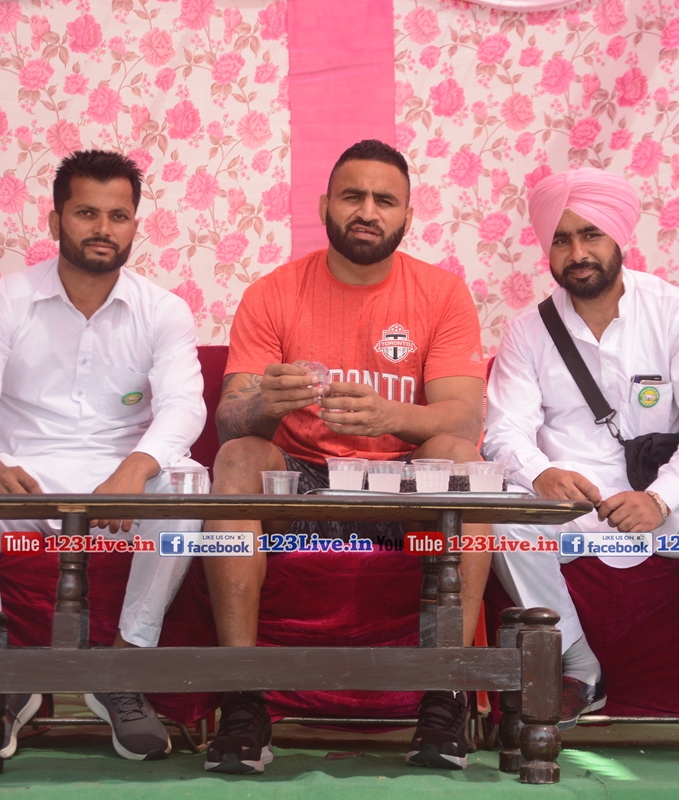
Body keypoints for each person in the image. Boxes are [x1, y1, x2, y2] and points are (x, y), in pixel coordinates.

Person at [202, 139, 490, 774]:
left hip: (403, 484)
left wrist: (392, 418)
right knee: (240, 457)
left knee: (461, 458)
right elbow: (229, 421)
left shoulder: (442, 293)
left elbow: (465, 418)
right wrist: (265, 405)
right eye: (352, 196)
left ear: (407, 215)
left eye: (384, 200)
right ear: (324, 205)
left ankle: (444, 694)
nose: (367, 211)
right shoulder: (273, 292)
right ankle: (243, 697)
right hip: (301, 485)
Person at [0, 149, 207, 762]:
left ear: (135, 226)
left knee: (187, 482)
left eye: (118, 216)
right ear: (56, 221)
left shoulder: (163, 310)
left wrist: (134, 471)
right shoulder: (4, 300)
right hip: (21, 486)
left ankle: (124, 669)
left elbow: (184, 407)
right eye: (86, 213)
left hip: (118, 493)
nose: (103, 228)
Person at [484, 167, 679, 768]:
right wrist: (541, 474)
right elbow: (505, 431)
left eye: (590, 234)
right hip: (572, 513)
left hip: (665, 512)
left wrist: (662, 498)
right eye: (561, 239)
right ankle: (578, 664)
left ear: (619, 236)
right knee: (499, 514)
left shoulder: (676, 313)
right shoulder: (528, 331)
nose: (577, 253)